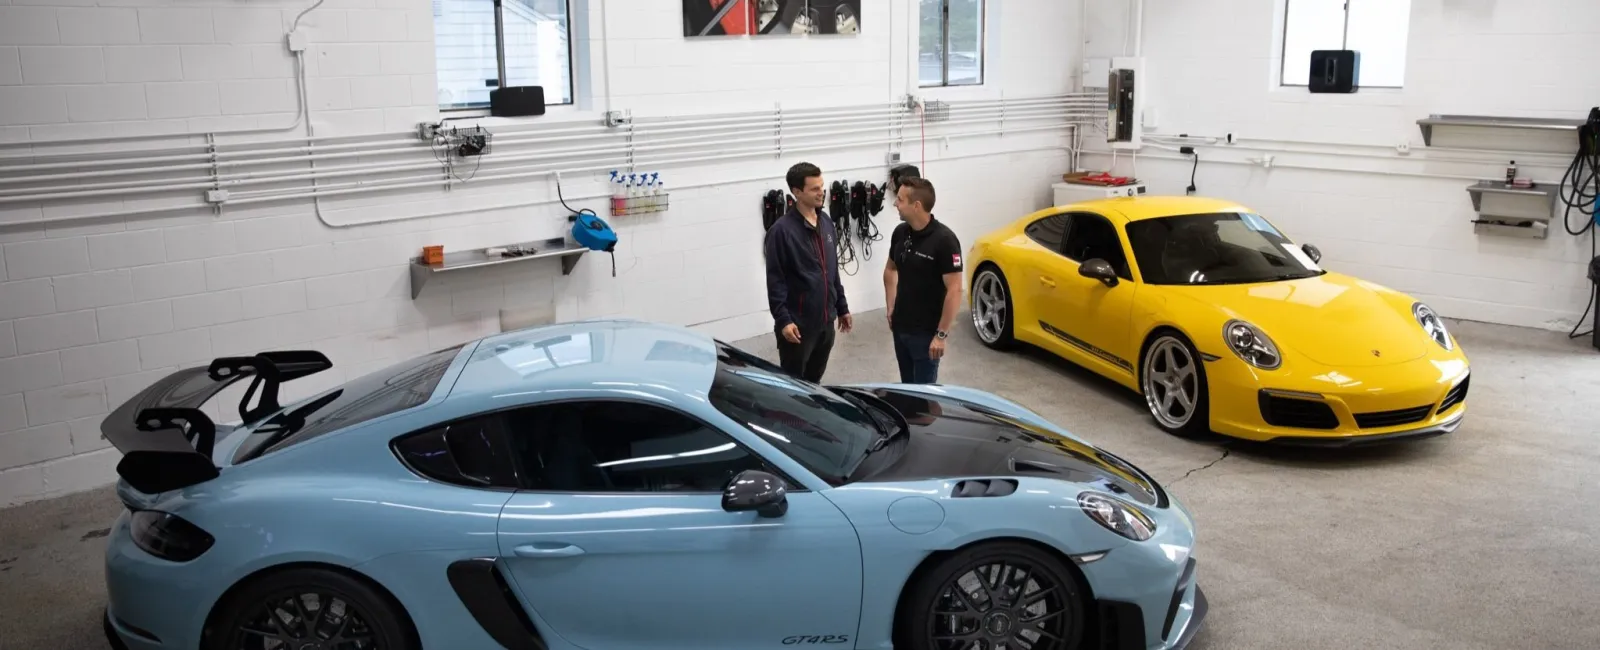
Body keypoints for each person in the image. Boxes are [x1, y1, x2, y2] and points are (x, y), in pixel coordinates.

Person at [764, 162, 853, 382]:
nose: (821, 192)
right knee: (795, 385)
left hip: (825, 322)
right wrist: (783, 320)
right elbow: (775, 280)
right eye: (814, 189)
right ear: (796, 192)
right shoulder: (781, 232)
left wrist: (842, 307)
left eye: (822, 186)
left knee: (815, 382)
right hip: (798, 326)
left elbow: (832, 273)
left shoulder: (826, 223)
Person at [883, 177, 962, 384]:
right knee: (907, 389)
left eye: (899, 200)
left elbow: (955, 290)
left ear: (916, 206)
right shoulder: (900, 233)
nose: (895, 204)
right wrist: (891, 306)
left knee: (924, 399)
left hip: (926, 335)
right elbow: (890, 270)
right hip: (901, 328)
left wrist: (941, 335)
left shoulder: (945, 241)